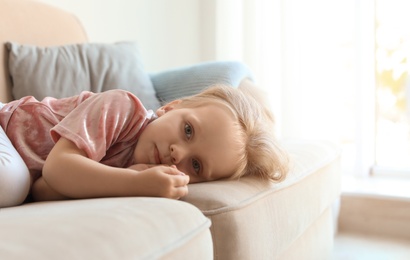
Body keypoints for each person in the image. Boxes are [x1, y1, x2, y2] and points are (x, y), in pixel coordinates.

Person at [0, 84, 289, 207]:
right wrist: (134, 182)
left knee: (18, 187)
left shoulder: (135, 170)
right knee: (11, 182)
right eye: (188, 130)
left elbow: (42, 190)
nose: (178, 154)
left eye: (196, 165)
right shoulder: (122, 108)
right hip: (4, 128)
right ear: (171, 107)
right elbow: (58, 168)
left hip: (21, 172)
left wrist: (131, 178)